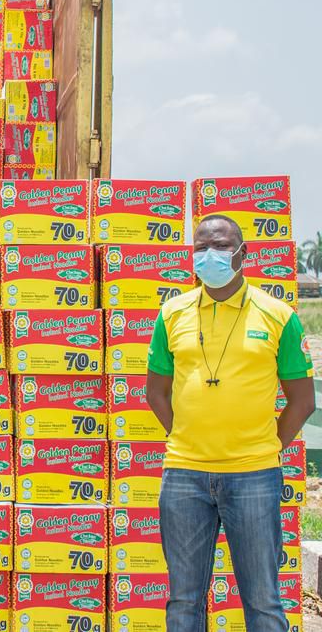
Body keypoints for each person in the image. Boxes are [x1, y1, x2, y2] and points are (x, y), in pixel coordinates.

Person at [146, 214, 315, 632]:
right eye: (200, 249)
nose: (209, 256)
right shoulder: (172, 314)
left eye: (220, 247)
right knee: (183, 602)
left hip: (254, 475)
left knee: (262, 602)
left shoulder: (279, 316)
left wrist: (264, 445)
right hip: (185, 475)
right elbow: (156, 393)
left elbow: (302, 400)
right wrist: (187, 436)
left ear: (243, 254)